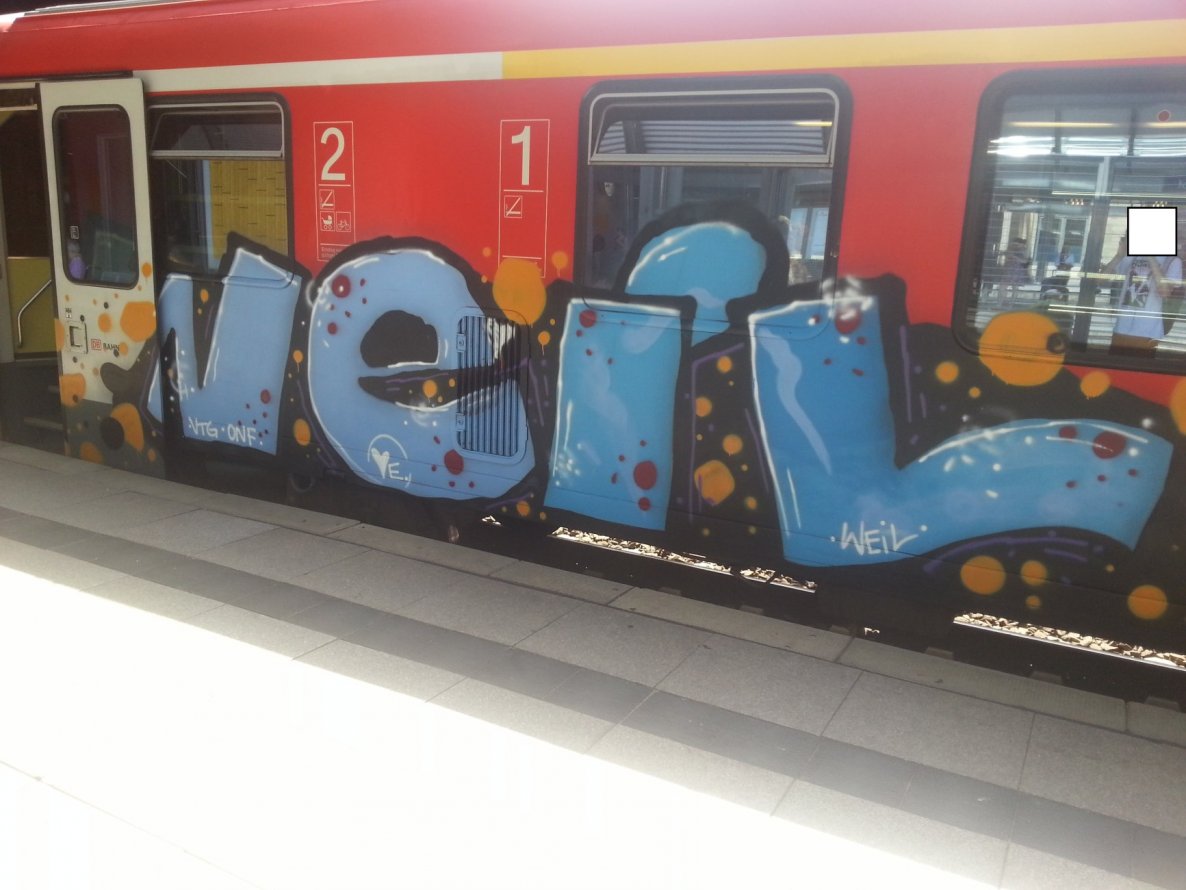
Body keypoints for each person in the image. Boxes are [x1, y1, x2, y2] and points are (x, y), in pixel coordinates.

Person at [1103, 234, 1183, 353]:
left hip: (1147, 332)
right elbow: (1101, 281)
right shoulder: (1130, 256)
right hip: (1121, 328)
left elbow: (1165, 292)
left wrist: (1151, 257)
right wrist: (1118, 256)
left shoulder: (1172, 261)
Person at [999, 236, 1029, 307]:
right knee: (1002, 287)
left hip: (1017, 271)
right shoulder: (1010, 250)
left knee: (1014, 288)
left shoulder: (1024, 251)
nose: (1015, 246)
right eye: (1014, 244)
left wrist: (1015, 257)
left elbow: (1025, 262)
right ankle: (1004, 301)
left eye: (1016, 245)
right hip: (1008, 270)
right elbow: (1003, 256)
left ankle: (1011, 304)